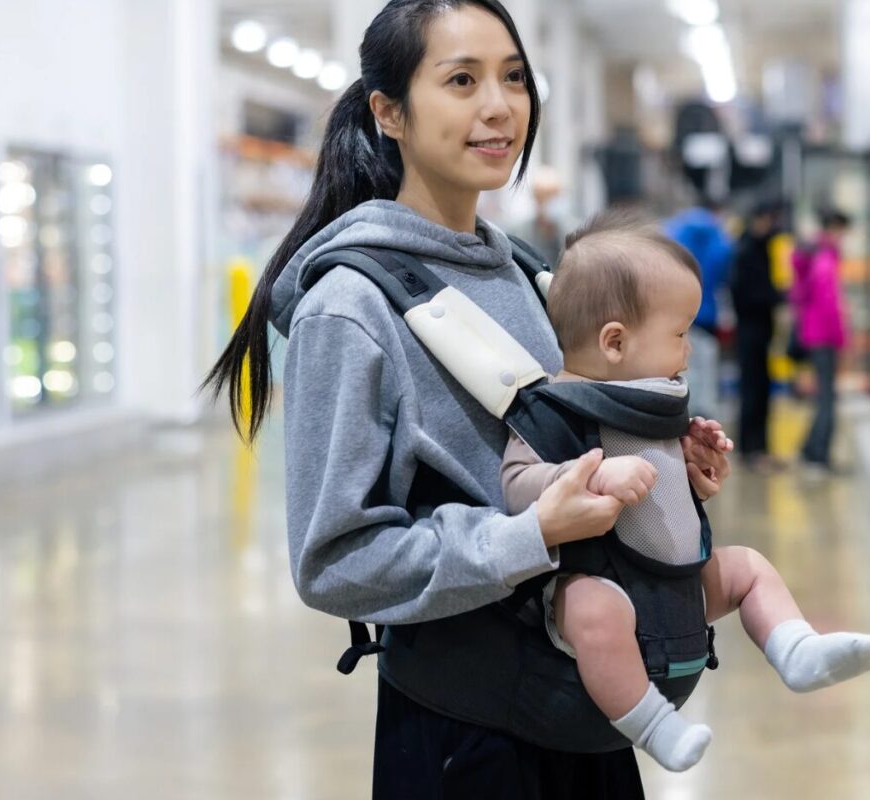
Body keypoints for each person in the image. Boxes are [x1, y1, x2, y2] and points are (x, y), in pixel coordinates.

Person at [198, 3, 733, 797]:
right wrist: (527, 535)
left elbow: (563, 446)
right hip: (468, 735)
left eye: (514, 78)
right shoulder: (351, 307)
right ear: (389, 113)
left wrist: (661, 473)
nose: (500, 106)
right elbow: (332, 560)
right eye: (461, 80)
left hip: (587, 708)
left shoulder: (526, 273)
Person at [500, 211, 870, 772]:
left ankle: (796, 648)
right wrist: (589, 477)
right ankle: (652, 723)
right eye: (679, 334)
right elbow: (514, 485)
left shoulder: (650, 404)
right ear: (614, 342)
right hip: (610, 588)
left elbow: (663, 502)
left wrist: (690, 466)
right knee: (590, 607)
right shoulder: (551, 411)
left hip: (676, 587)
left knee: (748, 565)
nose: (689, 350)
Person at [728, 200, 787, 471]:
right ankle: (752, 451)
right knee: (753, 392)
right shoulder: (747, 250)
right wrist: (777, 296)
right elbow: (747, 293)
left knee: (761, 391)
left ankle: (759, 449)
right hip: (751, 332)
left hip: (759, 332)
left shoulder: (757, 247)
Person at [791, 209, 851, 472]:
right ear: (835, 227)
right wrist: (841, 338)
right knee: (827, 397)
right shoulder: (825, 259)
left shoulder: (812, 254)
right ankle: (819, 454)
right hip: (824, 336)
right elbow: (829, 305)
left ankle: (810, 448)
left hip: (813, 333)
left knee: (823, 396)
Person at [664, 197, 734, 420]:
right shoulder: (720, 238)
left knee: (681, 364)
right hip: (707, 313)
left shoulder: (674, 232)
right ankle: (704, 414)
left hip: (674, 311)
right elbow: (725, 273)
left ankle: (683, 409)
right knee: (707, 366)